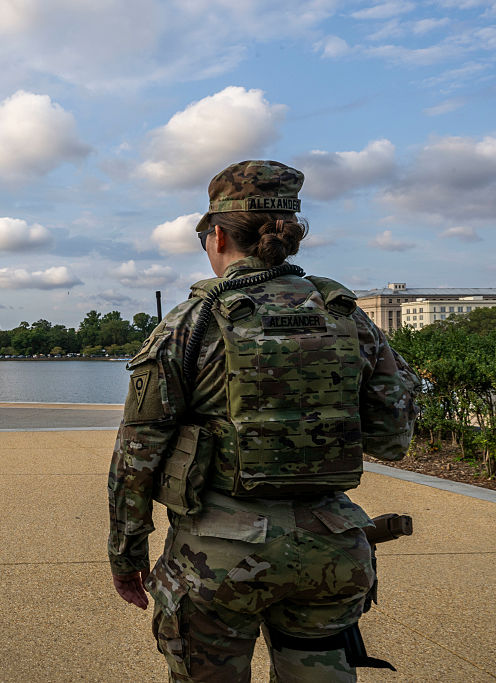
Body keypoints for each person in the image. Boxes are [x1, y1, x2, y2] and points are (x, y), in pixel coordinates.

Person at [107, 160, 419, 682]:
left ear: (219, 235)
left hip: (218, 560)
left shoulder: (192, 322)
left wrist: (126, 553)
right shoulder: (347, 314)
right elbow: (393, 438)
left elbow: (137, 453)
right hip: (332, 551)